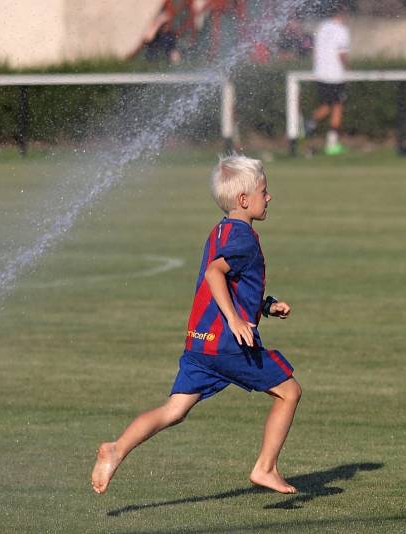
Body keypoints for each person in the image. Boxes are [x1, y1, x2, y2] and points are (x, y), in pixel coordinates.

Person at [91, 155, 302, 495]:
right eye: (265, 190)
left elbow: (233, 283)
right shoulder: (244, 238)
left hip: (199, 343)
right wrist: (235, 320)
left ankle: (116, 448)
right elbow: (214, 273)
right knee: (289, 392)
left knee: (174, 410)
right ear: (244, 200)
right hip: (228, 345)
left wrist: (265, 305)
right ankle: (266, 468)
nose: (269, 197)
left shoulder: (221, 229)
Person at [306, 5, 350, 155]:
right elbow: (342, 54)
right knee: (337, 106)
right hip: (335, 74)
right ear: (342, 13)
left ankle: (308, 124)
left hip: (320, 73)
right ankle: (332, 144)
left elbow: (315, 50)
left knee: (327, 105)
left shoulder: (322, 27)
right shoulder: (341, 30)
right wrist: (348, 70)